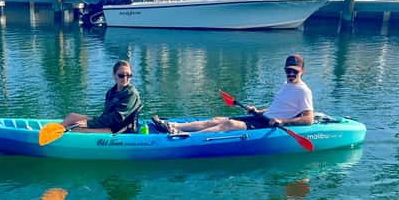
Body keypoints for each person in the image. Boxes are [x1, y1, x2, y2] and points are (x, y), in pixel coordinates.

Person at [154, 54, 314, 134]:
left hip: (270, 125)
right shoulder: (287, 85)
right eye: (288, 71)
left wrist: (283, 121)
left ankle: (185, 137)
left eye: (294, 71)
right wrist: (258, 111)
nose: (290, 74)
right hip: (263, 118)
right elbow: (277, 107)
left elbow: (308, 119)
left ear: (302, 71)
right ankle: (174, 126)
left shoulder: (303, 91)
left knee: (228, 125)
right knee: (218, 120)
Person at [62, 60, 142, 134]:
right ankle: (53, 131)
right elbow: (106, 115)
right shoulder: (111, 92)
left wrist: (89, 124)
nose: (125, 78)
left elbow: (117, 118)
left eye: (129, 75)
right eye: (121, 75)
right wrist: (91, 123)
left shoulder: (131, 94)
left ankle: (60, 137)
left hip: (120, 129)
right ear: (114, 75)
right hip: (108, 123)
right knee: (72, 117)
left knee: (75, 130)